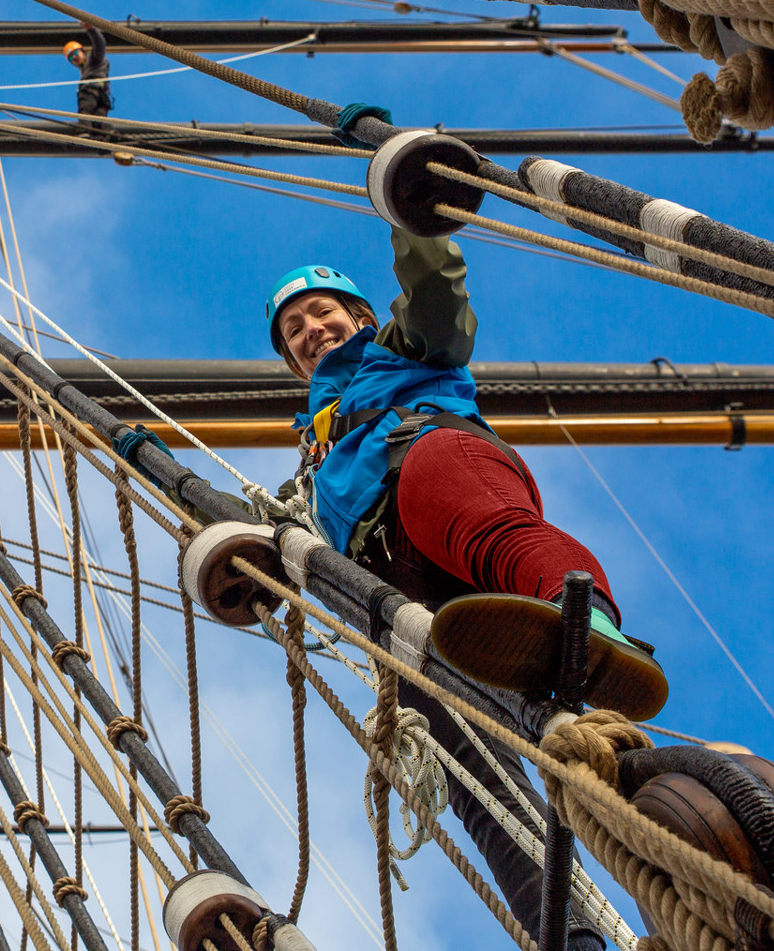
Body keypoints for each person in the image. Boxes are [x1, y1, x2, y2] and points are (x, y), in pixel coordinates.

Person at [266, 228, 669, 951]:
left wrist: (413, 219)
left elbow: (435, 300)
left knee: (481, 526)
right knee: (453, 751)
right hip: (386, 577)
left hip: (430, 463)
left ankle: (594, 631)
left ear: (359, 316)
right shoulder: (314, 451)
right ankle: (566, 932)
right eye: (293, 331)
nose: (308, 332)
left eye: (320, 313)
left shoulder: (396, 347)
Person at [63, 23, 110, 132]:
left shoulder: (94, 60)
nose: (74, 57)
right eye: (70, 58)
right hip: (103, 96)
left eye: (75, 53)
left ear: (83, 51)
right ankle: (104, 137)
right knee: (99, 123)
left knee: (85, 112)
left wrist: (91, 29)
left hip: (91, 91)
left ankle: (84, 133)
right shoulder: (87, 68)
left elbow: (100, 45)